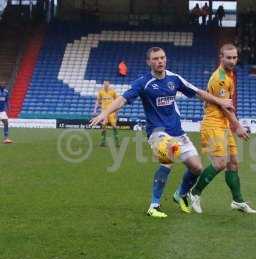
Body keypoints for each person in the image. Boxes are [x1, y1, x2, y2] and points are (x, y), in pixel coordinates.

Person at [90, 47, 234, 218]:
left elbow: (198, 92)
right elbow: (122, 99)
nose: (160, 61)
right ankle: (154, 205)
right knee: (169, 158)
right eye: (156, 58)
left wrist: (220, 101)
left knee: (197, 168)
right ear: (149, 62)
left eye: (162, 58)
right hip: (157, 133)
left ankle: (180, 194)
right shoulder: (143, 82)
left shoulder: (174, 78)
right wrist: (105, 113)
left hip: (178, 132)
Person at [187, 44, 256, 214]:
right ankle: (193, 193)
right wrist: (237, 126)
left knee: (233, 163)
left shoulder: (229, 74)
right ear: (221, 58)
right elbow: (225, 107)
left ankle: (238, 201)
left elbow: (228, 106)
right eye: (229, 58)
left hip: (223, 124)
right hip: (213, 124)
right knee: (219, 163)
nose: (232, 61)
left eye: (235, 57)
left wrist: (233, 124)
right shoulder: (220, 78)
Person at [93, 81, 120, 147]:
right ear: (103, 85)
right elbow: (98, 101)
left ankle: (117, 142)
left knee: (114, 126)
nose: (106, 85)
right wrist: (95, 110)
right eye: (104, 84)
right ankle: (103, 142)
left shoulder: (113, 92)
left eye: (107, 84)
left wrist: (117, 111)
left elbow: (118, 101)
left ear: (109, 85)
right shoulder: (101, 92)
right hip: (104, 112)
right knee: (104, 126)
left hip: (111, 111)